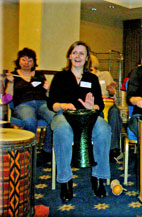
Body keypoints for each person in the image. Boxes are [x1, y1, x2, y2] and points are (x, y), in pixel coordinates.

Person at [48, 41, 111, 202]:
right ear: (69, 56)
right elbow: (51, 104)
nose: (78, 56)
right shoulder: (60, 77)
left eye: (81, 53)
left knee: (104, 128)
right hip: (65, 116)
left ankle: (98, 178)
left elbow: (100, 105)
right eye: (74, 52)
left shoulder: (92, 78)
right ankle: (65, 181)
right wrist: (62, 105)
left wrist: (93, 106)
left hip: (87, 116)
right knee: (62, 130)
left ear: (87, 58)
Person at [5, 48, 54, 155]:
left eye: (30, 60)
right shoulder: (13, 75)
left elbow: (48, 96)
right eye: (24, 59)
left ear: (34, 62)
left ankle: (47, 150)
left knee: (54, 118)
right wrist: (10, 83)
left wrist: (48, 89)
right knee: (30, 121)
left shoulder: (39, 75)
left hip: (42, 103)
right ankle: (30, 153)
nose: (27, 63)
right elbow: (7, 99)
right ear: (19, 61)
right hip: (23, 104)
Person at [90, 54, 122, 159]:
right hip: (94, 105)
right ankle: (98, 147)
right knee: (97, 114)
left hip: (108, 103)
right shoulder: (83, 77)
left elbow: (113, 94)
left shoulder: (105, 74)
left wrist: (112, 91)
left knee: (115, 112)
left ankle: (113, 148)